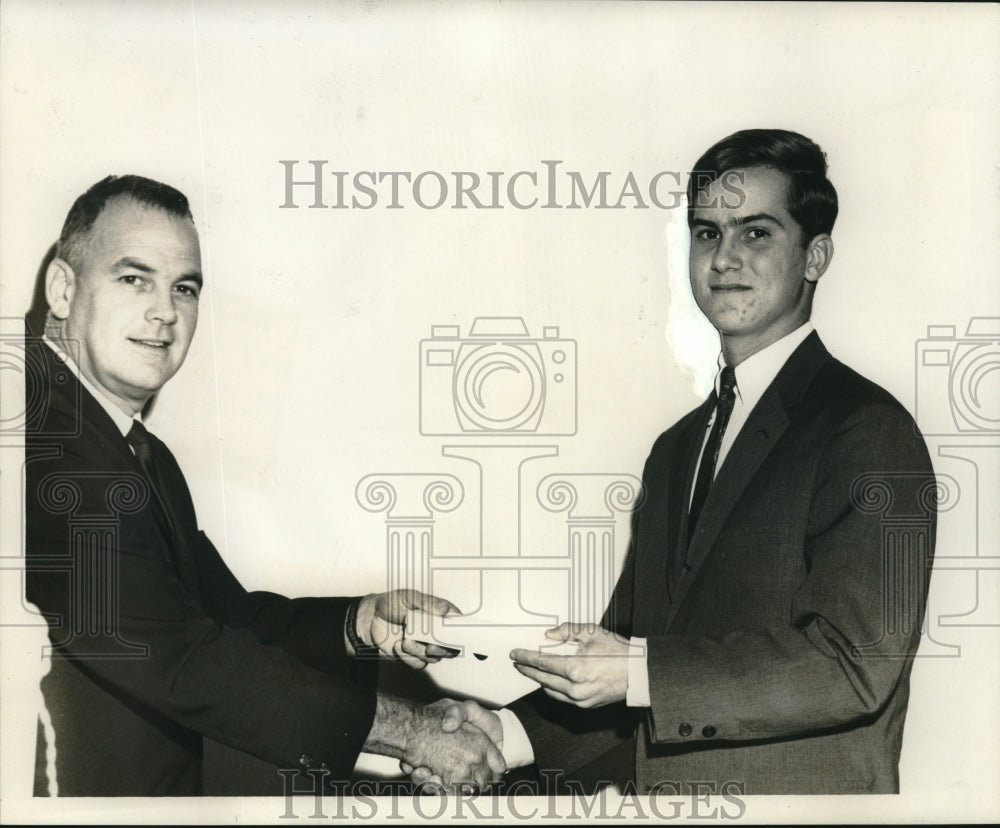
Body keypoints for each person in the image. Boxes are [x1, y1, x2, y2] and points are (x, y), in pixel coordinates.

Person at [419, 129, 938, 795]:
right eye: (706, 233)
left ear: (816, 255)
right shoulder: (677, 449)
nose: (724, 257)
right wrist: (504, 737)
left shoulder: (866, 430)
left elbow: (856, 664)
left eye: (756, 233)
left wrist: (636, 670)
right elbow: (630, 663)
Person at [23, 175, 504, 796]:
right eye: (133, 278)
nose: (165, 311)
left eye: (184, 288)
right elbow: (182, 659)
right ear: (63, 288)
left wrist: (360, 623)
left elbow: (225, 618)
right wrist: (411, 731)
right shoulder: (44, 443)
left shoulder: (132, 449)